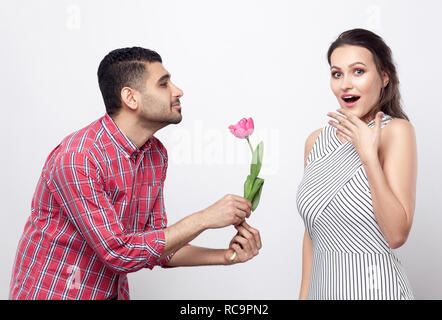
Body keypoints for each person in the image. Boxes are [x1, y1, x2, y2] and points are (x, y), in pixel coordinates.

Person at [9, 47, 261, 300]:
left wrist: (226, 256)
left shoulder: (154, 154)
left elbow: (156, 245)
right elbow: (119, 254)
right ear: (131, 98)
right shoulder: (78, 159)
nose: (178, 91)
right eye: (164, 84)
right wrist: (205, 218)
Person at [297, 29, 417, 300]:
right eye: (337, 73)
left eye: (358, 71)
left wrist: (368, 157)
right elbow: (312, 233)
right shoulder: (315, 141)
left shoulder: (396, 132)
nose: (345, 85)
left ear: (384, 76)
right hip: (323, 292)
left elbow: (397, 234)